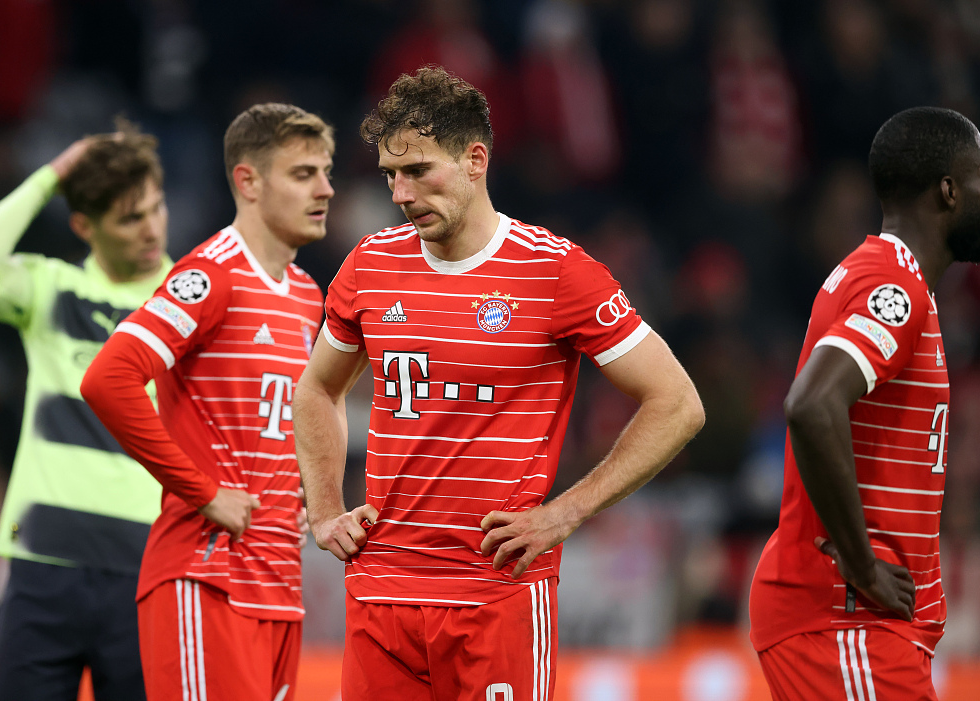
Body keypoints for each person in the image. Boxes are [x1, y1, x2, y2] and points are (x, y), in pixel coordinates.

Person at [292, 66, 705, 701]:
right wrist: (323, 512)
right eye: (390, 175)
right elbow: (317, 388)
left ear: (475, 159)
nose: (400, 193)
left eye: (419, 170)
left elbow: (677, 403)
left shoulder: (556, 272)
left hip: (496, 594)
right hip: (382, 594)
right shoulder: (370, 266)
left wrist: (564, 514)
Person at [80, 103, 334, 701]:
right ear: (247, 181)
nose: (325, 189)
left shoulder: (306, 295)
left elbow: (290, 419)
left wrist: (305, 501)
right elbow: (108, 380)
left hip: (278, 586)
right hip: (205, 576)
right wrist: (201, 489)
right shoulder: (210, 274)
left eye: (325, 171)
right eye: (303, 174)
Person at [749, 106, 980, 700]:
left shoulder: (899, 283)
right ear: (947, 191)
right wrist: (861, 566)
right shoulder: (895, 287)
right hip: (843, 618)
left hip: (858, 625)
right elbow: (810, 403)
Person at [0, 124, 170, 701]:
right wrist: (51, 176)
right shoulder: (49, 287)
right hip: (42, 561)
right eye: (130, 218)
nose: (152, 229)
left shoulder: (189, 298)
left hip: (146, 566)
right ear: (84, 226)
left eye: (157, 208)